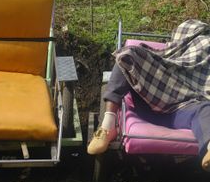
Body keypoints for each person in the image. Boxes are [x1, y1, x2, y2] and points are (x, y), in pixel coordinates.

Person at [87, 19, 210, 172]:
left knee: (205, 109)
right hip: (152, 99)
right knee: (128, 54)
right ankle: (107, 127)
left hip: (185, 109)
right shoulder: (172, 52)